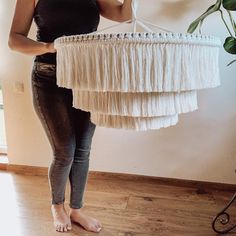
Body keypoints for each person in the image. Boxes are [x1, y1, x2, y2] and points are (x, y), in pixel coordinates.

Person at [8, 0, 132, 233]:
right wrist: (48, 46)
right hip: (48, 77)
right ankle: (57, 206)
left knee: (83, 149)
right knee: (65, 151)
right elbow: (14, 40)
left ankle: (76, 210)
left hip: (88, 79)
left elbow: (124, 15)